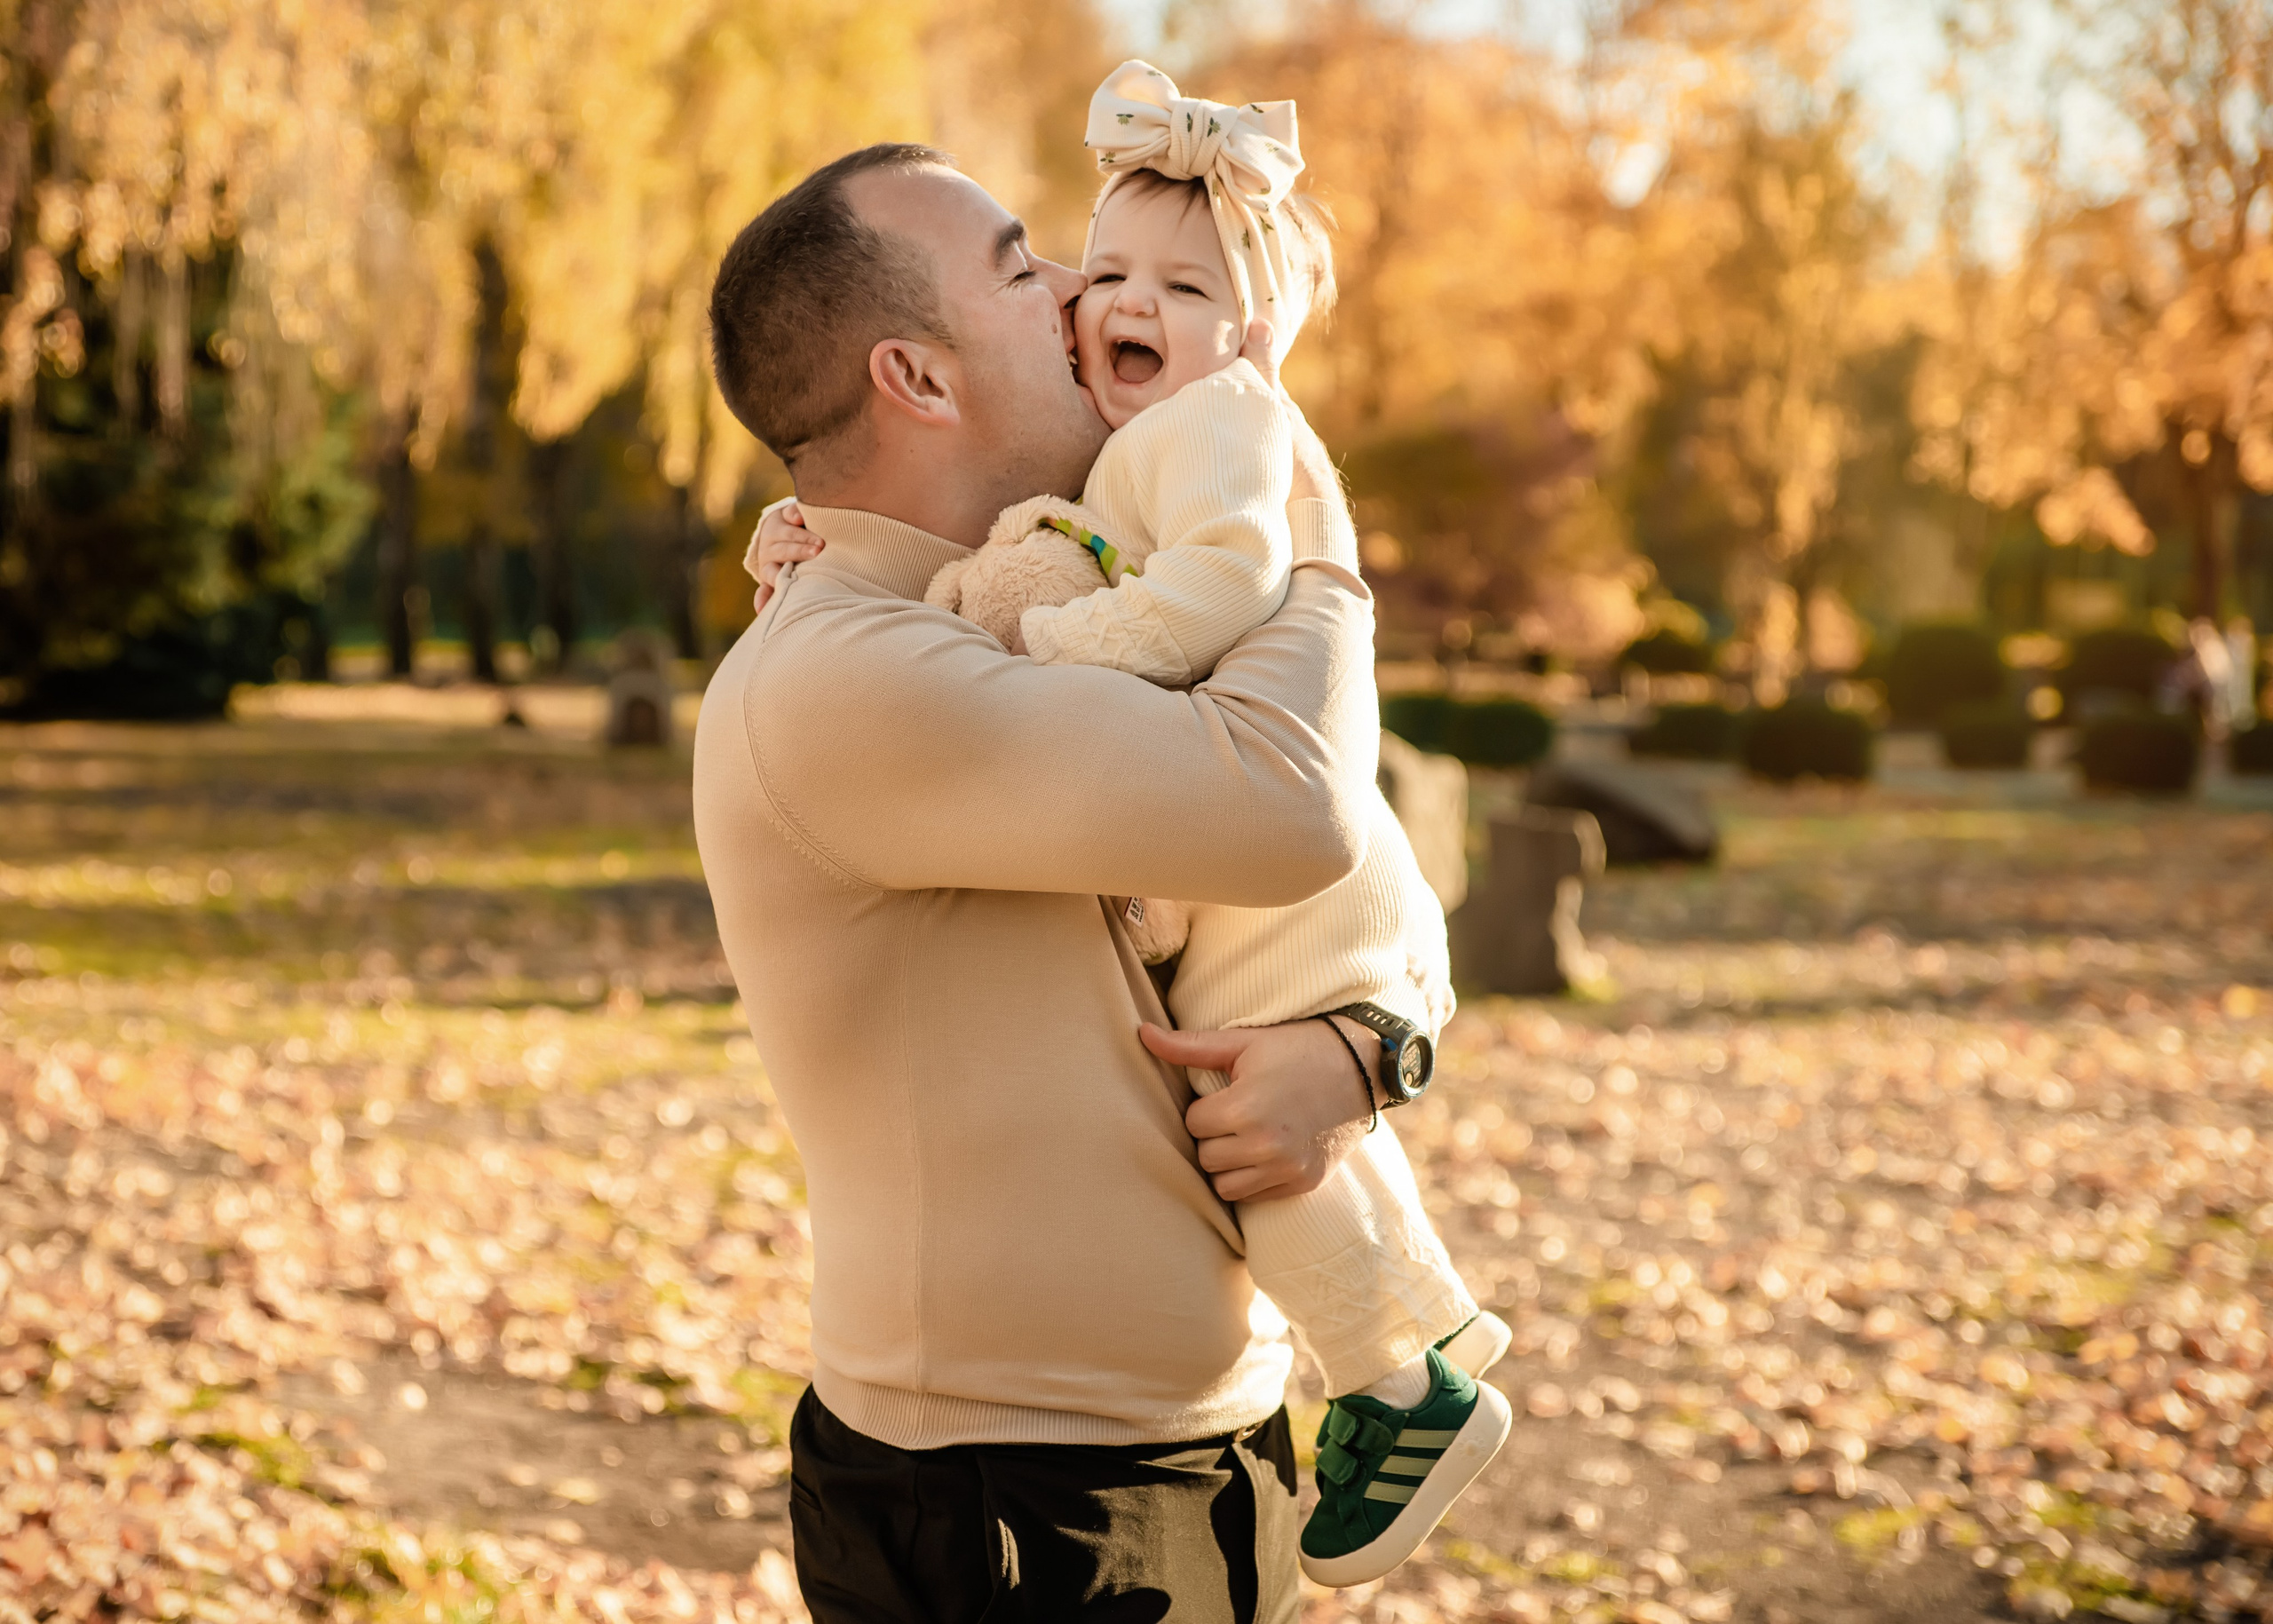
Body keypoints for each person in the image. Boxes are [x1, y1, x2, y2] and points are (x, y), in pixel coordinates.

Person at [747, 61, 1510, 1589]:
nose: (1077, 296)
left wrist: (1367, 1047)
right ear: (917, 375)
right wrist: (1323, 548)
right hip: (1015, 1498)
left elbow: (1350, 863)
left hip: (1207, 1449)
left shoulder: (1028, 565)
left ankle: (1411, 1362)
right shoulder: (851, 669)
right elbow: (1292, 806)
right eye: (1032, 266)